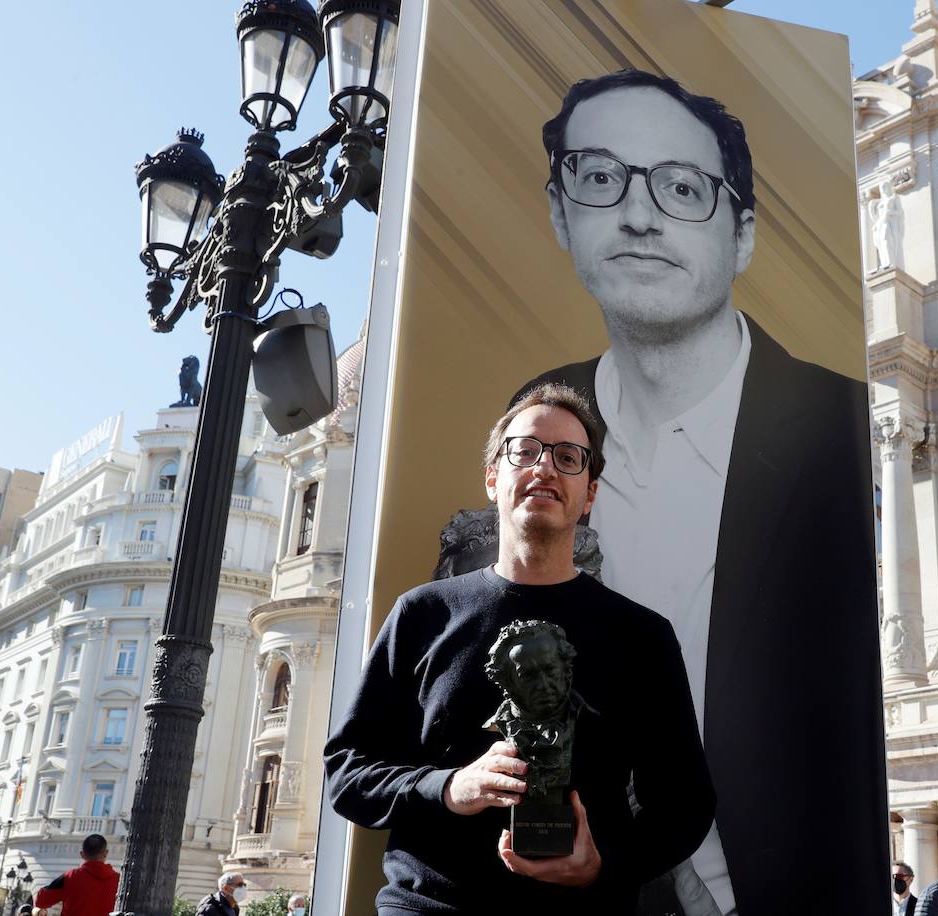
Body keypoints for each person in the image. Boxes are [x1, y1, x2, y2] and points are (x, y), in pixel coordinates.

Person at [514, 66, 882, 915]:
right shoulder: (532, 426)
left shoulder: (843, 427)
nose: (639, 215)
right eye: (601, 178)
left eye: (682, 188)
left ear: (742, 234)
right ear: (561, 213)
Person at [325, 385, 714, 915]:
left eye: (568, 457)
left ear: (590, 492)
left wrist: (606, 863)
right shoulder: (421, 615)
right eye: (524, 451)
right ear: (493, 478)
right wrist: (448, 788)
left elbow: (685, 806)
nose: (545, 468)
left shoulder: (642, 637)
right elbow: (348, 771)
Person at [34, 833, 118, 916]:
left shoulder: (71, 877)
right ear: (106, 853)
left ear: (82, 854)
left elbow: (41, 900)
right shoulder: (118, 880)